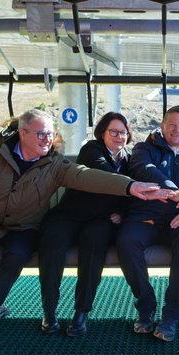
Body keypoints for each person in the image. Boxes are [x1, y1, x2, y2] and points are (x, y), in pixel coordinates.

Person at [0, 109, 163, 334]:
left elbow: (84, 175)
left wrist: (130, 186)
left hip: (25, 227)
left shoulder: (54, 163)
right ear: (23, 133)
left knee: (17, 255)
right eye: (41, 134)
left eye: (50, 134)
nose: (47, 139)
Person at [37, 112, 134, 336]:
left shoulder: (128, 160)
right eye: (114, 132)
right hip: (70, 215)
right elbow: (106, 177)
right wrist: (132, 188)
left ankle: (81, 312)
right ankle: (49, 311)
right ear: (102, 132)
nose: (119, 136)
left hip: (100, 220)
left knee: (95, 245)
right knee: (53, 242)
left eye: (123, 132)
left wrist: (122, 212)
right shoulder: (91, 150)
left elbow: (132, 197)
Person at [116, 105, 179, 342]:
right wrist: (174, 191)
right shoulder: (145, 148)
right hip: (146, 216)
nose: (176, 130)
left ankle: (172, 314)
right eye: (171, 125)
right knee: (126, 240)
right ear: (162, 126)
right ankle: (146, 303)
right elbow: (144, 168)